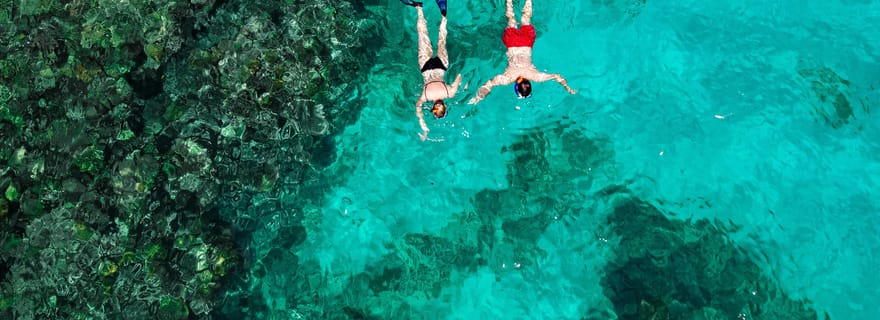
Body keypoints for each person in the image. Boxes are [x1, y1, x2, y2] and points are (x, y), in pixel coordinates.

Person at [468, 0, 576, 105]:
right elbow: (489, 84)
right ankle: (509, 2)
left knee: (526, 18)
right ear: (516, 88)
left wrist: (568, 88)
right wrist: (477, 98)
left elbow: (557, 76)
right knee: (511, 19)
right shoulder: (507, 79)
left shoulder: (536, 76)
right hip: (511, 43)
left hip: (526, 43)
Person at [402, 0, 462, 141]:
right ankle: (419, 8)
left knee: (442, 39)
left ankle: (443, 15)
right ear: (433, 107)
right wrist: (424, 128)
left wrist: (462, 84)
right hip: (426, 68)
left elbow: (459, 76)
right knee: (422, 35)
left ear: (444, 106)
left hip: (441, 66)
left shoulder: (450, 93)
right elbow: (417, 108)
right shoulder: (425, 97)